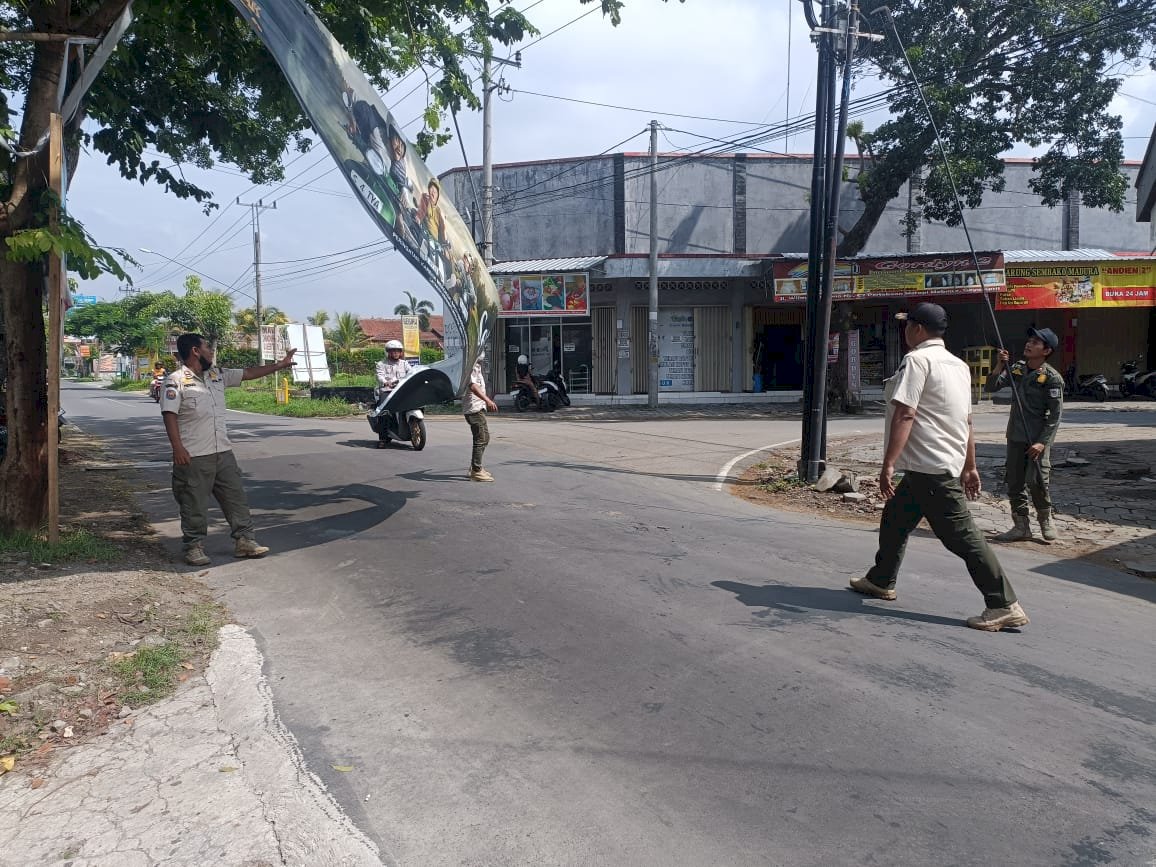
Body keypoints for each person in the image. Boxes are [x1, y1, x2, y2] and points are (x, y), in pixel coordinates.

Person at [849, 303, 1029, 632]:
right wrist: (969, 465)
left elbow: (905, 413)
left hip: (930, 468)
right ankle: (880, 579)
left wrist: (887, 463)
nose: (905, 331)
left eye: (907, 326)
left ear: (917, 329)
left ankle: (1002, 603)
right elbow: (967, 420)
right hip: (934, 465)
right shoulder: (958, 366)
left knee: (964, 538)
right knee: (894, 519)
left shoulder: (917, 361)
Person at [160, 333, 296, 567]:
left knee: (236, 498)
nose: (211, 352)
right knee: (194, 503)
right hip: (193, 454)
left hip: (222, 451)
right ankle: (193, 547)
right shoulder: (175, 381)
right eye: (207, 348)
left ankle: (245, 541)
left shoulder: (217, 375)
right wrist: (177, 448)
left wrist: (280, 365)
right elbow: (169, 415)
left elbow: (249, 373)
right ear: (195, 351)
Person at [984, 327, 1064, 543]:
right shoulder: (1017, 369)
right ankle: (1021, 526)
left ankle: (1046, 520)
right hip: (1015, 436)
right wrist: (1001, 364)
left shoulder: (1051, 378)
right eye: (1029, 340)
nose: (1029, 344)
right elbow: (991, 387)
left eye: (1036, 343)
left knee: (1037, 480)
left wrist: (1042, 443)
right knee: (1015, 482)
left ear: (1046, 350)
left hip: (1037, 439)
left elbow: (1055, 417)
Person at [463, 353, 498, 482]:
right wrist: (488, 400)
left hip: (478, 407)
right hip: (473, 408)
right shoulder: (470, 368)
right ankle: (476, 470)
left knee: (485, 438)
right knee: (480, 439)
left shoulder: (477, 367)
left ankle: (474, 466)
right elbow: (473, 386)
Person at [373, 339, 412, 449]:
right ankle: (382, 439)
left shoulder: (405, 364)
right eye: (392, 351)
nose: (395, 353)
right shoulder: (381, 364)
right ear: (388, 352)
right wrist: (386, 382)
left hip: (402, 390)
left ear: (401, 352)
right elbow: (380, 376)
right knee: (384, 412)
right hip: (387, 391)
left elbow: (411, 372)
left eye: (397, 351)